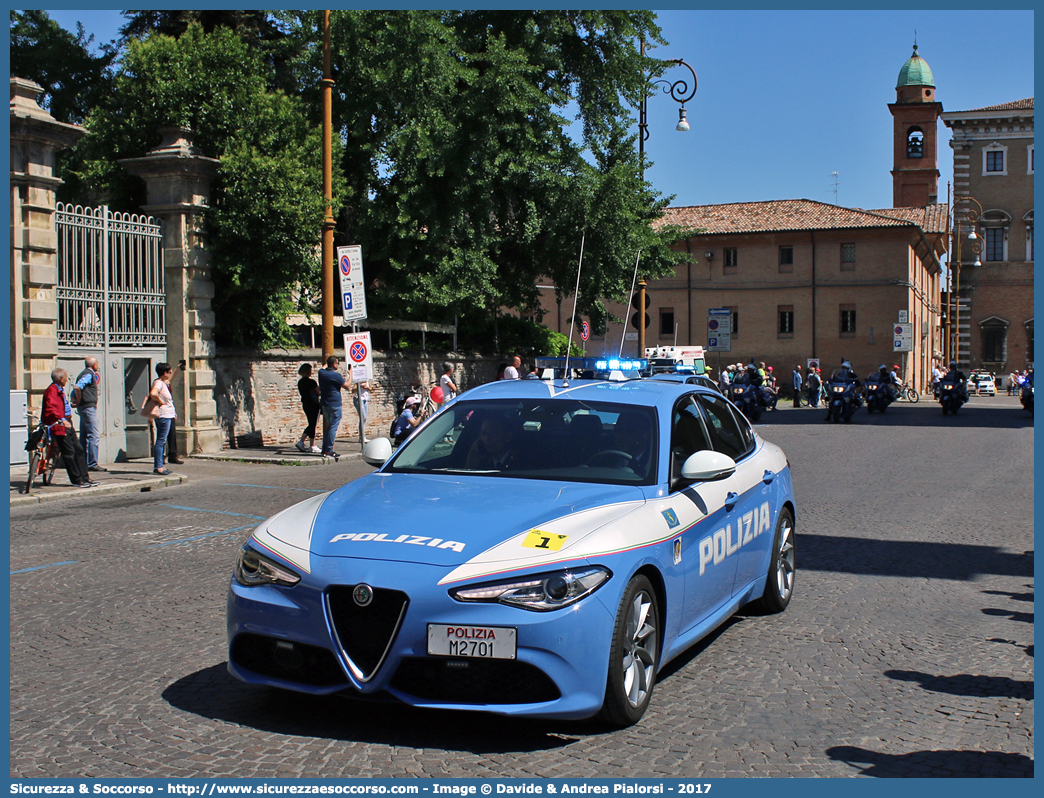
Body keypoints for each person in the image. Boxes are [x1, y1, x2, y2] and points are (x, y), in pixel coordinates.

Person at [42, 368, 94, 488]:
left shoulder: (59, 389)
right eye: (65, 377)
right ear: (61, 379)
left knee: (79, 449)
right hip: (59, 423)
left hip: (66, 421)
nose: (67, 379)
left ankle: (85, 477)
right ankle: (77, 480)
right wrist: (62, 419)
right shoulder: (52, 390)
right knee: (68, 452)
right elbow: (51, 408)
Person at [72, 356, 105, 472]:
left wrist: (75, 401)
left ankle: (82, 462)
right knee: (94, 435)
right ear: (94, 365)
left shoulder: (84, 373)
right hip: (88, 408)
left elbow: (73, 392)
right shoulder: (88, 374)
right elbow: (77, 387)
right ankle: (92, 463)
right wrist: (79, 400)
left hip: (84, 408)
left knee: (84, 436)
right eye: (97, 364)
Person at [317, 356, 353, 457]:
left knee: (329, 427)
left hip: (325, 404)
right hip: (335, 404)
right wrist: (350, 375)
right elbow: (347, 386)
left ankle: (325, 449)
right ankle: (329, 450)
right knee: (332, 428)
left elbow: (323, 367)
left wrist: (326, 362)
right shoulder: (336, 376)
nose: (338, 365)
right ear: (334, 364)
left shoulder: (321, 373)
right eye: (337, 363)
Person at [149, 362, 178, 475]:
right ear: (165, 373)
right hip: (164, 416)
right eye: (169, 372)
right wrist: (161, 403)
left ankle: (160, 465)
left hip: (168, 415)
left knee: (162, 441)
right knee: (161, 441)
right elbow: (153, 393)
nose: (170, 374)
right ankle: (158, 466)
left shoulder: (163, 383)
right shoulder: (158, 383)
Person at [295, 363, 322, 453]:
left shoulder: (300, 382)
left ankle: (302, 442)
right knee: (313, 424)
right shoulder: (312, 382)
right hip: (313, 404)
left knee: (311, 423)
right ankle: (311, 445)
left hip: (305, 404)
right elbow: (319, 392)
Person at [353, 377, 371, 446]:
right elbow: (353, 390)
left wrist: (367, 388)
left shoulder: (367, 380)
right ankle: (362, 437)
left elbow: (371, 389)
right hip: (358, 399)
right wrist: (359, 386)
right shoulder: (357, 380)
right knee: (362, 417)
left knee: (364, 418)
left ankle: (362, 436)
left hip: (366, 399)